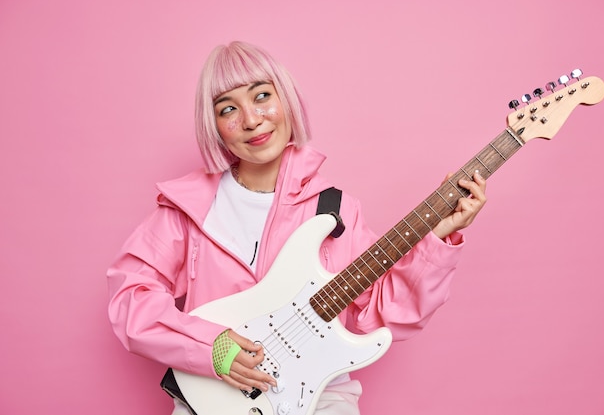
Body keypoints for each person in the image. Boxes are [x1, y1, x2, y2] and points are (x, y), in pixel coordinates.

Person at [107, 41, 487, 415]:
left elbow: (383, 314)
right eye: (228, 108)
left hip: (321, 397)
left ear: (286, 99)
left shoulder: (335, 210)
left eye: (261, 96)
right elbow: (130, 300)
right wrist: (213, 348)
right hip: (213, 399)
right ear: (215, 126)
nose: (252, 120)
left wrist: (437, 238)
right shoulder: (187, 209)